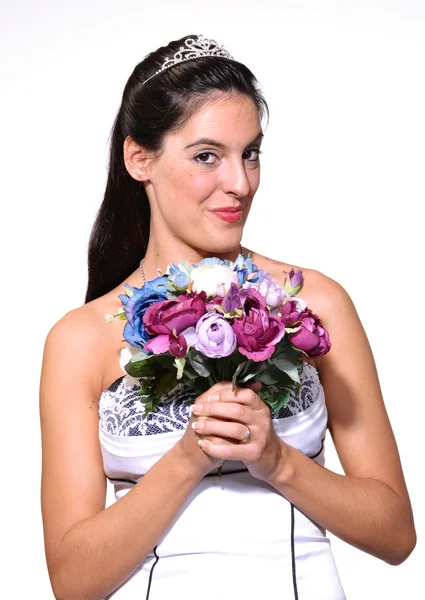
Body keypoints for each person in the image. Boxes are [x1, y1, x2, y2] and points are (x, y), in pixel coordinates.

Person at [39, 33, 416, 600]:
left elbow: (395, 534)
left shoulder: (316, 304)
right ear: (139, 158)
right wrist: (189, 455)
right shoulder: (79, 341)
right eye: (207, 156)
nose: (239, 184)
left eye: (251, 153)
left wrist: (278, 461)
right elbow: (72, 581)